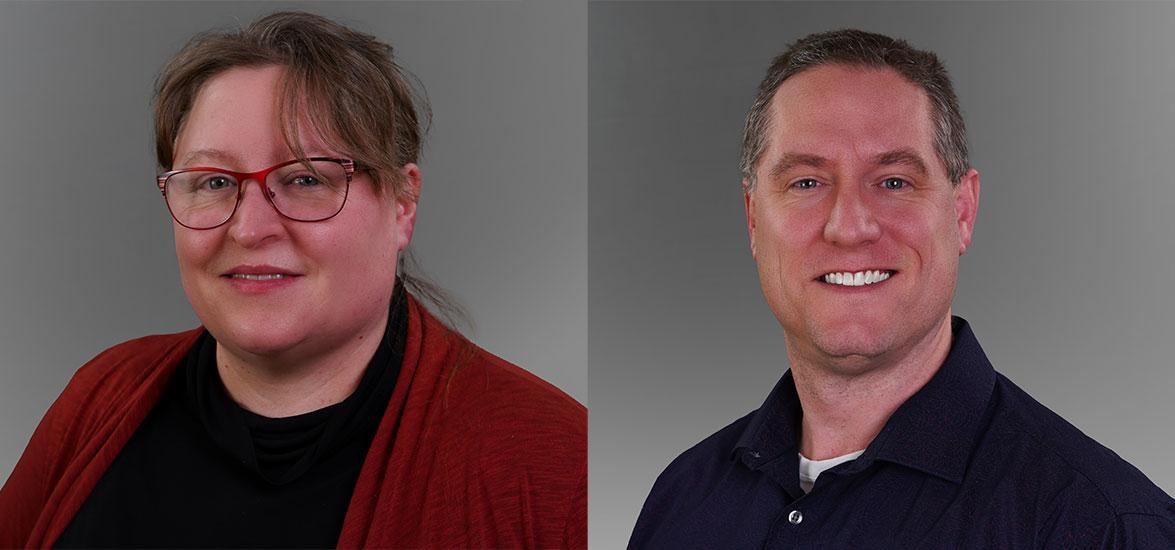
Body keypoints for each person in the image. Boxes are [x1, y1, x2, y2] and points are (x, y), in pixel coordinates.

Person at [0, 11, 585, 549]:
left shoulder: (554, 463)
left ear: (402, 205)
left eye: (306, 179)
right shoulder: (100, 397)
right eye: (212, 181)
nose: (250, 229)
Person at [630, 29, 1173, 548]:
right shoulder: (680, 500)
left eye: (893, 182)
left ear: (962, 211)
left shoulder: (1103, 527)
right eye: (807, 182)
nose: (848, 226)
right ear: (753, 220)